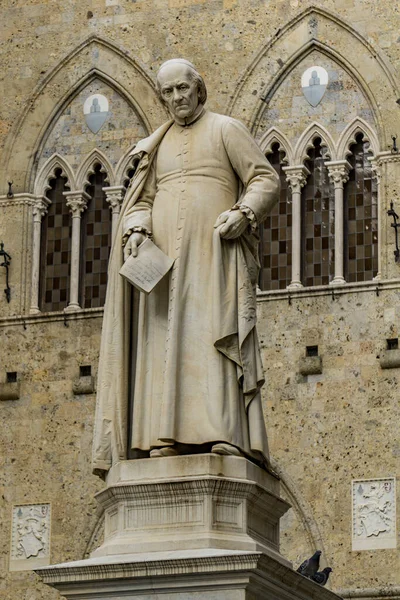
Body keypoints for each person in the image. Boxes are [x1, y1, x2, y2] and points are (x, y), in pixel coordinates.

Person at [92, 59, 279, 477]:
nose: (177, 98)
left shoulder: (226, 129)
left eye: (183, 89)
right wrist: (137, 229)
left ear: (199, 89)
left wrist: (245, 212)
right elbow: (140, 200)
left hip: (213, 258)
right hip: (162, 271)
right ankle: (162, 435)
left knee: (211, 336)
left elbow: (265, 179)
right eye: (168, 92)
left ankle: (223, 431)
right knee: (162, 345)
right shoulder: (154, 147)